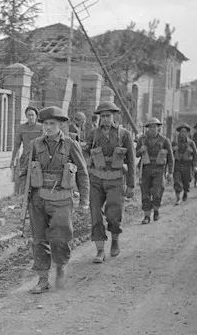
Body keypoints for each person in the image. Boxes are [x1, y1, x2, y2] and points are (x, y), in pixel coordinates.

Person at [27, 106, 89, 294]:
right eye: (45, 123)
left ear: (61, 125)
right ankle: (43, 279)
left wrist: (84, 201)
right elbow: (25, 171)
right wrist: (25, 195)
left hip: (62, 199)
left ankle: (61, 266)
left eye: (52, 124)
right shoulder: (35, 145)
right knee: (39, 239)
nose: (48, 127)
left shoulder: (71, 145)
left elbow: (83, 173)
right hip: (38, 198)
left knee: (60, 237)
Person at [83, 101, 136, 262]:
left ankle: (115, 240)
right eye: (102, 116)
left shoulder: (124, 134)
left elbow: (131, 160)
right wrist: (87, 159)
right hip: (96, 179)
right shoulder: (93, 134)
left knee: (114, 214)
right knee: (96, 215)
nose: (105, 119)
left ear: (114, 116)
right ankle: (100, 250)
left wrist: (131, 185)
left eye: (108, 116)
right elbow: (85, 151)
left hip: (116, 180)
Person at [135, 117, 174, 224]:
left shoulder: (164, 141)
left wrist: (170, 172)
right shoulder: (142, 140)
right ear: (147, 128)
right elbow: (136, 154)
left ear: (158, 128)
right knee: (145, 193)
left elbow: (170, 157)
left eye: (154, 127)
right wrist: (140, 150)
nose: (152, 129)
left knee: (158, 192)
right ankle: (146, 216)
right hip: (145, 169)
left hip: (159, 169)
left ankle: (156, 210)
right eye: (150, 127)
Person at [10, 106, 43, 194]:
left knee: (37, 178)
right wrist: (13, 159)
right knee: (23, 178)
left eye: (32, 115)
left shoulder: (41, 128)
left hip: (38, 157)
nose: (31, 117)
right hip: (25, 157)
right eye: (28, 115)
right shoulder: (22, 128)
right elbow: (17, 145)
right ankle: (22, 197)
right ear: (26, 116)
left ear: (36, 116)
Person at [172, 123, 197, 205]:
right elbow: (169, 154)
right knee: (177, 181)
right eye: (181, 131)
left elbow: (196, 154)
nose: (183, 133)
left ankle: (185, 192)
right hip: (177, 164)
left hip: (187, 165)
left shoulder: (191, 143)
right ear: (179, 132)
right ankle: (178, 198)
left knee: (187, 181)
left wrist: (195, 165)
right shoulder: (174, 142)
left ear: (187, 133)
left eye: (185, 131)